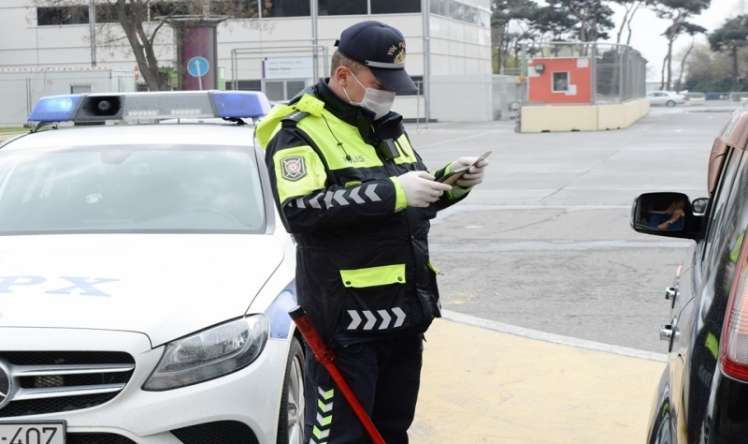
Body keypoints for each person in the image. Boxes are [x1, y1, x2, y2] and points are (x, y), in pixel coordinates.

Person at [255, 21, 488, 444]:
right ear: (343, 76)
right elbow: (300, 212)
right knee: (343, 439)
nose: (390, 94)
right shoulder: (298, 132)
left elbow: (411, 204)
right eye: (380, 83)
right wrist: (393, 192)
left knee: (391, 433)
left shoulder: (385, 127)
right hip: (346, 326)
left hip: (403, 317)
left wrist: (451, 184)